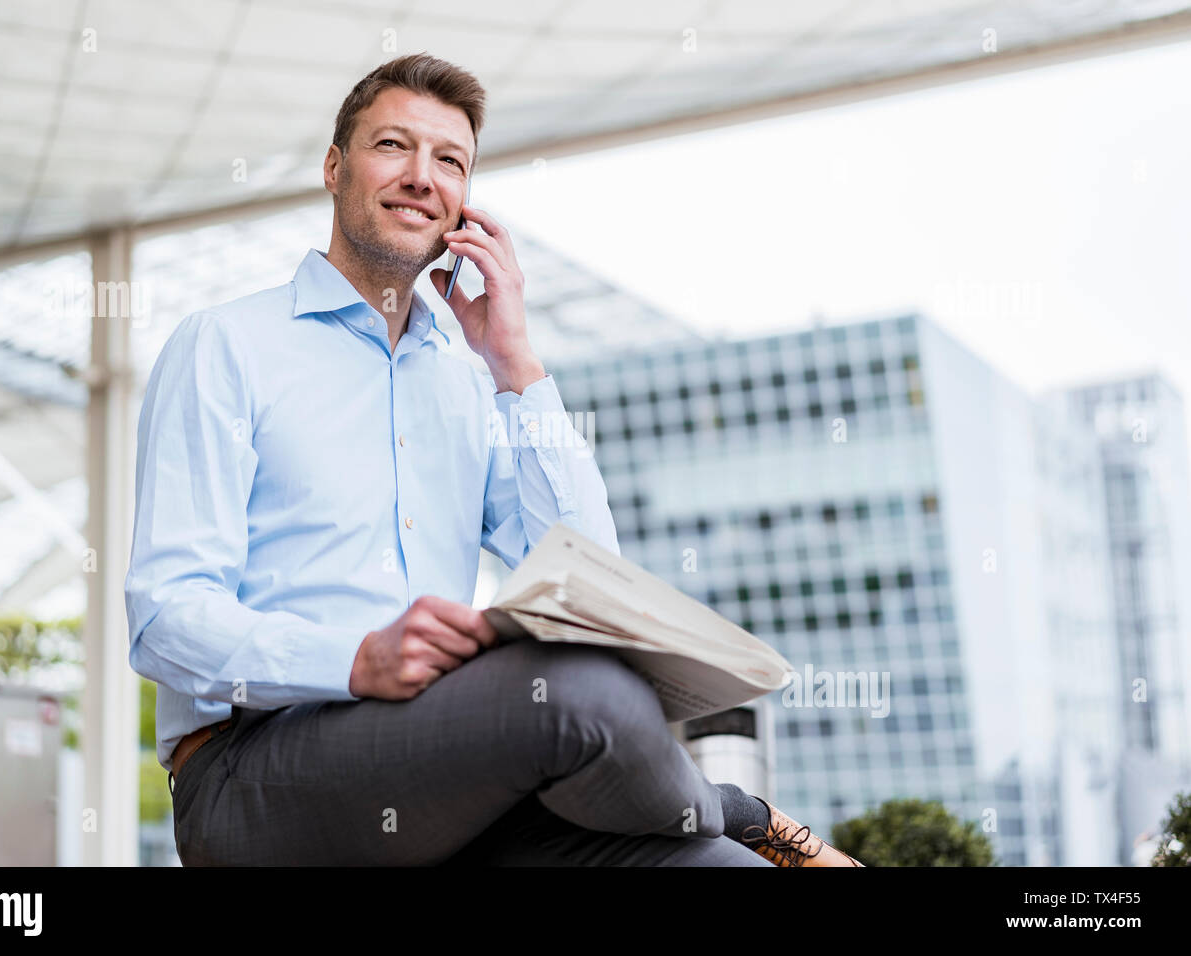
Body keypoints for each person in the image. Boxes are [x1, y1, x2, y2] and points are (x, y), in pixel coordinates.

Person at [125, 52, 862, 867]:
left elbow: (589, 579)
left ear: (465, 200)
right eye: (393, 146)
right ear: (335, 168)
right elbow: (165, 617)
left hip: (446, 774)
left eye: (450, 161)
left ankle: (725, 834)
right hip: (252, 775)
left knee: (710, 864)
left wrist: (514, 364)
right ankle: (734, 808)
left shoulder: (470, 381)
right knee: (587, 695)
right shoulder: (226, 345)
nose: (421, 176)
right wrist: (356, 659)